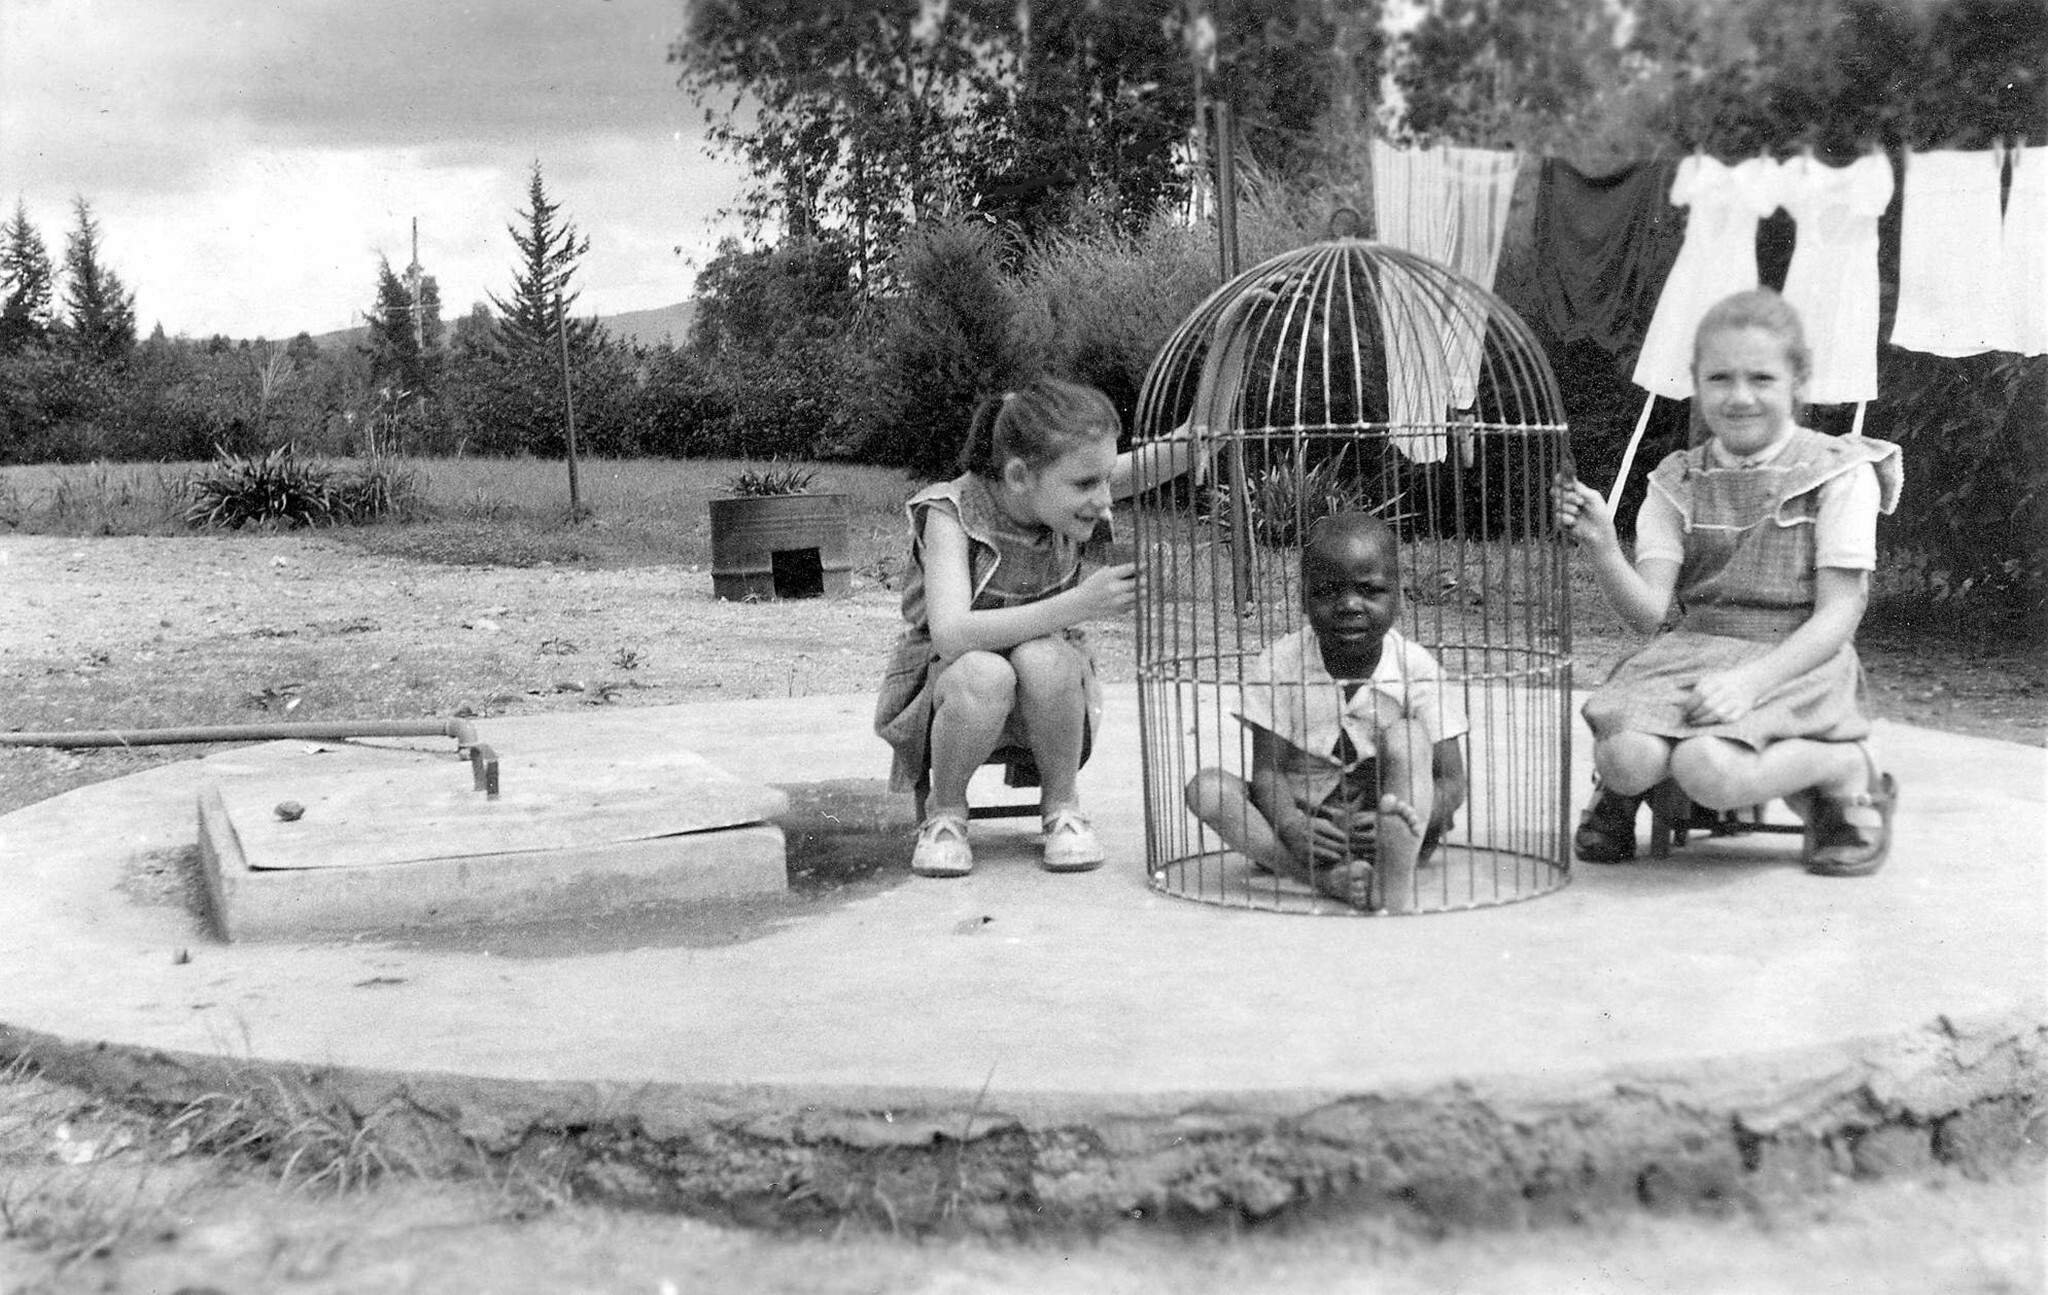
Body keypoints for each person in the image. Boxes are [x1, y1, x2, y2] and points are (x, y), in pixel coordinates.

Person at [1554, 288, 1902, 875]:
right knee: (1624, 756)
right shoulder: (1678, 478)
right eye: (1719, 378)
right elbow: (1647, 614)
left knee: (1709, 770)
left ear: (1799, 381)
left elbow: (1840, 613)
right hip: (1693, 650)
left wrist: (1749, 683)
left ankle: (1842, 769)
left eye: (1762, 378)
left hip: (1796, 657)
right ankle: (1627, 786)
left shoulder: (1838, 472)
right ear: (1696, 381)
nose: (1739, 398)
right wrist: (1603, 546)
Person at [874, 377, 1194, 878]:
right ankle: (946, 815)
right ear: (1020, 475)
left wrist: (1229, 338)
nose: (1106, 499)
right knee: (984, 672)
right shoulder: (949, 513)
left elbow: (1195, 443)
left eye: (1109, 479)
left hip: (1047, 698)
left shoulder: (1062, 482)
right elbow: (952, 635)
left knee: (1043, 657)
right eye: (1089, 484)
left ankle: (1063, 808)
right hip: (946, 693)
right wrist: (1080, 603)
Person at [1183, 511, 1469, 912]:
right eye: (1328, 591)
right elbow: (1267, 771)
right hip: (1309, 836)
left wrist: (1417, 814)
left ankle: (1392, 864)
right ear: (1304, 597)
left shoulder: (1416, 667)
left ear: (1398, 596)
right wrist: (1290, 825)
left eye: (1370, 590)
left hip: (1391, 820)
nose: (1349, 605)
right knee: (1207, 789)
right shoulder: (1280, 663)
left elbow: (1453, 782)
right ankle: (1321, 879)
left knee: (1407, 737)